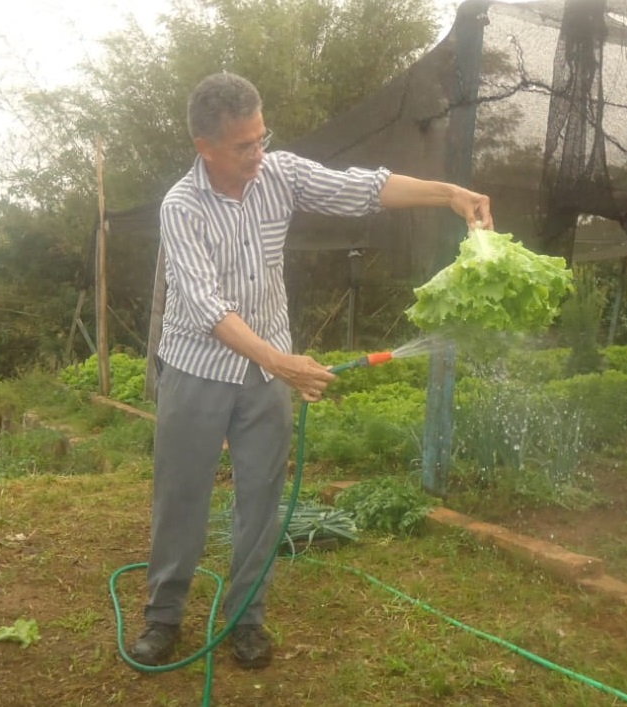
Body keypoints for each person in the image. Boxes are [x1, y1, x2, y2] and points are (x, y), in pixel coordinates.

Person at [130, 71, 492, 670]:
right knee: (181, 499)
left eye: (261, 136)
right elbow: (204, 304)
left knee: (261, 501)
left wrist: (448, 193)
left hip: (268, 372)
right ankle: (163, 619)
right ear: (206, 148)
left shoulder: (280, 174)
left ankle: (246, 619)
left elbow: (364, 189)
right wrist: (283, 364)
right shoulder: (181, 206)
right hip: (197, 368)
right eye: (244, 145)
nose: (258, 153)